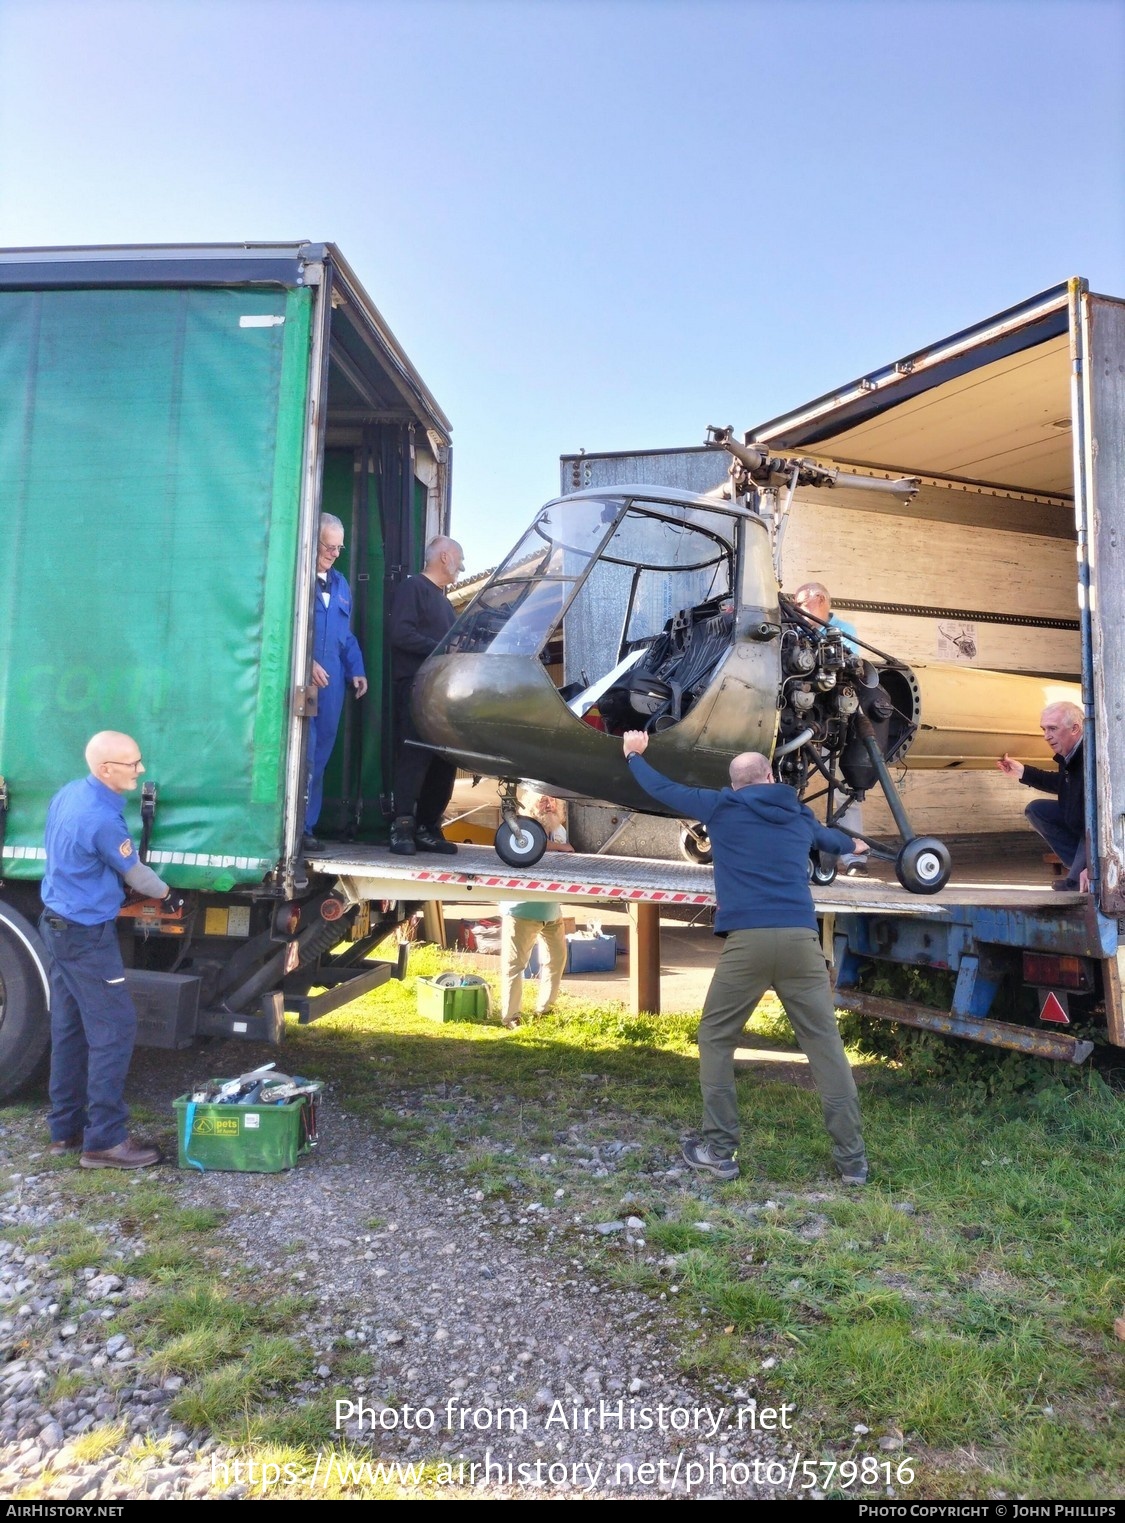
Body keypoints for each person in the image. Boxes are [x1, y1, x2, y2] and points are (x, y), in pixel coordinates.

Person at [621, 730, 870, 1186]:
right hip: (800, 940)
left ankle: (719, 1150)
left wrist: (635, 756)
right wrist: (855, 846)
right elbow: (831, 841)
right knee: (825, 1048)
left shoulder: (722, 806)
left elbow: (662, 790)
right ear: (771, 775)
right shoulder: (797, 814)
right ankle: (852, 1161)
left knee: (716, 1037)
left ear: (736, 784)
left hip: (748, 942)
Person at [40, 732, 182, 1169]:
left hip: (56, 925)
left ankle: (65, 1131)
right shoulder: (100, 818)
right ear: (106, 770)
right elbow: (136, 875)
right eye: (132, 764)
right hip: (85, 935)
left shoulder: (70, 793)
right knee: (115, 1028)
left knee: (69, 1028)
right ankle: (104, 1141)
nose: (140, 771)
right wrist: (171, 896)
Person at [389, 535, 464, 856]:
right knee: (416, 756)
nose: (462, 566)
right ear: (445, 557)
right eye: (460, 559)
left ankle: (428, 827)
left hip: (443, 694)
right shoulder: (413, 588)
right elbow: (400, 633)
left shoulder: (445, 602)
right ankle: (402, 827)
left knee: (445, 760)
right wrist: (442, 648)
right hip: (417, 688)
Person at [304, 513, 368, 852]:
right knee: (302, 757)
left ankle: (307, 828)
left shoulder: (341, 584)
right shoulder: (297, 577)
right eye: (330, 546)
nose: (335, 553)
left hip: (331, 688)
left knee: (321, 756)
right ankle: (292, 828)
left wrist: (356, 669)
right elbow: (284, 628)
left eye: (339, 547)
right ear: (313, 542)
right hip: (301, 684)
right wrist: (303, 663)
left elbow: (344, 636)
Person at [793, 581, 864, 872]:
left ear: (819, 599)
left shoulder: (845, 631)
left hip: (832, 723)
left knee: (846, 788)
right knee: (791, 785)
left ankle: (853, 857)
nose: (797, 610)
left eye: (800, 604)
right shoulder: (793, 630)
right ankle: (796, 850)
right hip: (797, 721)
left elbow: (849, 667)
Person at [498, 797, 575, 1029]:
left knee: (556, 960)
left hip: (550, 909)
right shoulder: (521, 828)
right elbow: (536, 846)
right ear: (531, 804)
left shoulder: (558, 830)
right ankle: (510, 1016)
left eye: (553, 801)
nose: (548, 805)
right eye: (542, 801)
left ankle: (545, 1009)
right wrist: (562, 849)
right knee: (515, 965)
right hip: (522, 908)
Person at [997, 701, 1087, 891]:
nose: (1046, 736)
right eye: (1044, 729)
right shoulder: (1069, 754)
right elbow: (1063, 784)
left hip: (1098, 830)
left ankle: (1088, 871)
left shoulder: (1092, 755)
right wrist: (1023, 773)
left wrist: (1096, 866)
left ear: (1075, 729)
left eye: (1053, 728)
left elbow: (1105, 818)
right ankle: (1078, 868)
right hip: (1081, 827)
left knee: (1089, 817)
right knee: (1037, 810)